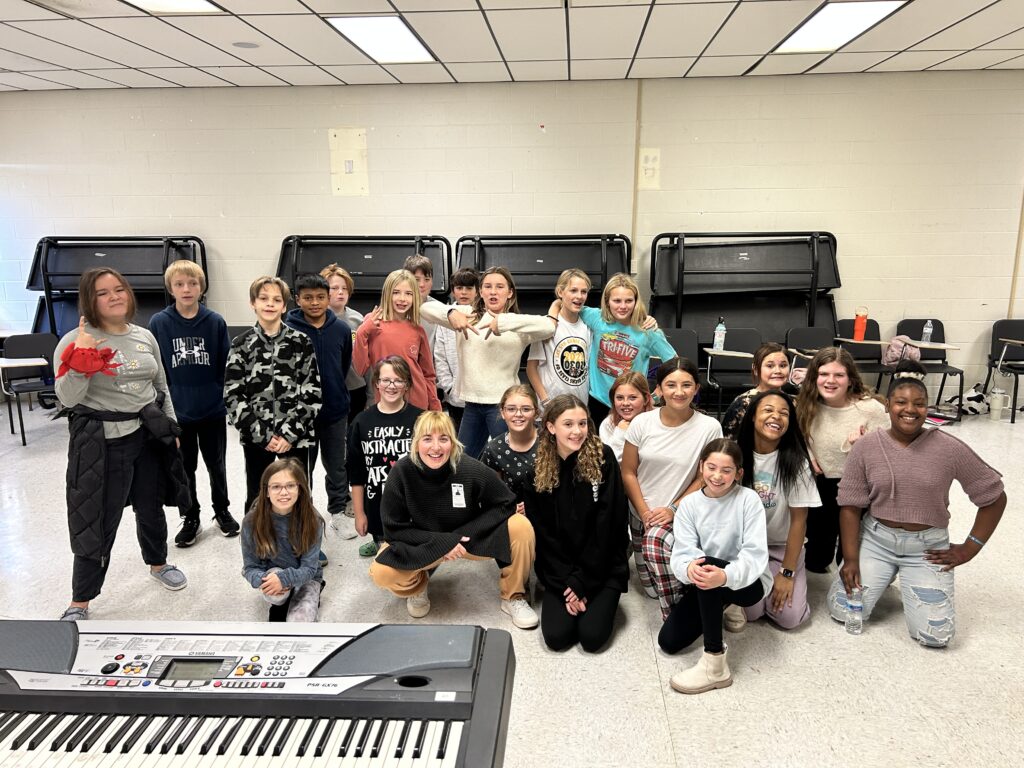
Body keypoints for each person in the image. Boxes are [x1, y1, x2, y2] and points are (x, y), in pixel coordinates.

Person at [827, 361, 1006, 647]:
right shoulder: (866, 447)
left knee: (935, 636)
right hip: (876, 539)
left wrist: (970, 547)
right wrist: (850, 560)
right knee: (841, 611)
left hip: (927, 547)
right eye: (901, 402)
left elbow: (994, 496)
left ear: (927, 407)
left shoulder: (950, 448)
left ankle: (899, 578)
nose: (910, 409)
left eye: (919, 404)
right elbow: (850, 506)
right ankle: (881, 577)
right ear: (887, 406)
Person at [55, 268, 191, 622]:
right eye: (103, 293)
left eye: (119, 289)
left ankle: (158, 563)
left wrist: (170, 427)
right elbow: (68, 398)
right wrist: (81, 362)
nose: (114, 296)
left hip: (148, 434)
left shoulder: (144, 336)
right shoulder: (76, 339)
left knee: (151, 505)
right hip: (104, 442)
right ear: (90, 299)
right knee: (97, 518)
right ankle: (81, 600)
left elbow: (161, 385)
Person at [369, 411, 539, 629]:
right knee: (381, 572)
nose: (436, 447)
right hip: (425, 542)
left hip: (467, 538)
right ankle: (418, 586)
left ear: (453, 442)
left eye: (444, 439)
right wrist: (443, 544)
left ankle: (513, 596)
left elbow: (506, 502)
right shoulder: (401, 472)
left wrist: (462, 536)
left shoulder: (467, 467)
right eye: (427, 439)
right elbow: (394, 530)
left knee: (520, 526)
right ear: (416, 442)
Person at [659, 439, 771, 694]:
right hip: (707, 582)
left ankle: (715, 664)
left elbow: (754, 556)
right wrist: (689, 570)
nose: (717, 476)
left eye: (726, 470)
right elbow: (683, 553)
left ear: (739, 473)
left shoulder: (748, 500)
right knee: (668, 642)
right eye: (711, 467)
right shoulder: (689, 505)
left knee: (708, 566)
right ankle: (724, 602)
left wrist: (725, 576)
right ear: (701, 467)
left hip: (749, 583)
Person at [523, 395, 629, 652]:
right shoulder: (537, 469)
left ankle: (597, 598)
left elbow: (610, 525)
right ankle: (573, 594)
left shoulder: (603, 459)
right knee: (557, 638)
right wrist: (565, 584)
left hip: (602, 568)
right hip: (560, 571)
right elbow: (544, 534)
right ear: (551, 427)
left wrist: (584, 582)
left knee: (591, 638)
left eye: (582, 423)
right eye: (568, 424)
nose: (577, 431)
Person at [419, 266, 557, 460]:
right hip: (472, 404)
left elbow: (548, 327)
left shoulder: (517, 323)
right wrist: (450, 312)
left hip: (502, 406)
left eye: (500, 287)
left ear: (510, 293)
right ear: (480, 291)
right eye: (488, 286)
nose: (493, 291)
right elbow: (424, 308)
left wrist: (503, 322)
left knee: (508, 461)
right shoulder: (466, 313)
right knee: (461, 461)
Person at [621, 357, 722, 619]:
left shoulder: (710, 427)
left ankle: (677, 612)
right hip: (641, 511)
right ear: (659, 390)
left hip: (683, 510)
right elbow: (628, 472)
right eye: (671, 385)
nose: (679, 392)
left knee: (657, 547)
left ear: (697, 389)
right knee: (651, 589)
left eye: (687, 385)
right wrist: (644, 512)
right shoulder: (642, 423)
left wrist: (673, 508)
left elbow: (705, 476)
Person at [149, 259, 237, 547]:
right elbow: (158, 370)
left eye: (193, 283)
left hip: (211, 410)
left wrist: (219, 397)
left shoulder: (214, 322)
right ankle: (191, 515)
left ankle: (221, 510)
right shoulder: (159, 323)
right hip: (179, 413)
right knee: (185, 468)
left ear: (202, 287)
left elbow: (225, 366)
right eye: (179, 284)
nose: (186, 289)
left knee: (217, 465)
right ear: (171, 289)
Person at [224, 276, 322, 513]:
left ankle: (302, 544)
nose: (270, 304)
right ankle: (259, 546)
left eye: (276, 299)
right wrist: (264, 436)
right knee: (258, 495)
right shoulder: (241, 344)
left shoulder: (301, 342)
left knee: (299, 493)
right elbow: (233, 396)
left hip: (296, 436)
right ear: (253, 303)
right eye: (263, 298)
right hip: (257, 438)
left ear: (284, 306)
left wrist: (288, 434)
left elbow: (312, 393)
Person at [796, 347, 889, 573]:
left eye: (839, 375)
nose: (831, 381)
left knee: (850, 558)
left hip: (860, 488)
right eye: (824, 374)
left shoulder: (870, 409)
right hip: (822, 485)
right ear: (814, 378)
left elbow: (893, 453)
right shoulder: (806, 405)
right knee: (816, 561)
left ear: (850, 379)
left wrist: (866, 447)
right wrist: (807, 453)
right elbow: (799, 437)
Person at [735, 390, 820, 630]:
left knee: (789, 618)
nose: (777, 417)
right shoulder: (735, 455)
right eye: (768, 410)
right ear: (753, 416)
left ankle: (781, 578)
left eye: (784, 413)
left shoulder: (797, 462)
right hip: (746, 547)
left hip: (783, 547)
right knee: (751, 612)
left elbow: (798, 522)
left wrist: (787, 573)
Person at [285, 273, 354, 545]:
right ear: (297, 299)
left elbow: (344, 363)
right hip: (299, 416)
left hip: (335, 410)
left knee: (337, 465)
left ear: (328, 298)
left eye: (320, 297)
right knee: (301, 468)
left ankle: (337, 509)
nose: (315, 302)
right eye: (308, 297)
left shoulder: (340, 329)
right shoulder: (288, 329)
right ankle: (304, 515)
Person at [347, 356, 423, 558]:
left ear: (407, 385)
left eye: (399, 380)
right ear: (377, 383)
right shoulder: (361, 422)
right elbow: (357, 474)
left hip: (414, 510)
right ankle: (379, 543)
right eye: (386, 380)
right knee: (390, 561)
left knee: (414, 560)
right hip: (377, 509)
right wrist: (360, 514)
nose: (392, 386)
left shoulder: (420, 419)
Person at [578, 273, 674, 427]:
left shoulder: (648, 331)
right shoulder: (597, 318)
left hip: (632, 404)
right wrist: (553, 313)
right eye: (617, 300)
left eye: (629, 300)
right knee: (599, 449)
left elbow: (674, 364)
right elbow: (564, 303)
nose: (623, 306)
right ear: (607, 301)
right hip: (598, 401)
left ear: (636, 301)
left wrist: (655, 396)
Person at [241, 458, 324, 622]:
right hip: (273, 573)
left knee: (300, 621)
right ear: (266, 491)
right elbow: (250, 567)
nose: (284, 492)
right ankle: (284, 600)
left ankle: (310, 591)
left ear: (300, 489)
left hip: (307, 576)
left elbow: (309, 568)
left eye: (290, 485)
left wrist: (286, 579)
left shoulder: (313, 520)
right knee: (276, 601)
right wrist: (266, 581)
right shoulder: (251, 521)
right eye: (276, 487)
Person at [354, 269, 441, 412]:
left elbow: (428, 375)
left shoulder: (417, 330)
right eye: (396, 292)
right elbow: (360, 368)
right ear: (387, 294)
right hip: (384, 403)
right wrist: (363, 331)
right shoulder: (371, 322)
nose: (402, 299)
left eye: (408, 294)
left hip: (416, 404)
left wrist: (435, 407)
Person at [527, 268, 592, 408]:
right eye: (573, 290)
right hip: (550, 407)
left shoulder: (588, 327)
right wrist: (546, 401)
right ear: (560, 292)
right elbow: (531, 368)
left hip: (579, 407)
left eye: (584, 292)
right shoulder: (546, 325)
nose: (579, 296)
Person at [480, 384, 540, 513]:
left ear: (536, 412)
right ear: (502, 412)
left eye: (526, 409)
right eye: (511, 409)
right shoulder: (495, 449)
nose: (518, 414)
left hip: (550, 512)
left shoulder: (550, 440)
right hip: (513, 517)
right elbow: (490, 493)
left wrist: (535, 505)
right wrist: (509, 508)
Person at [434, 267, 479, 431]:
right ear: (453, 291)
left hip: (480, 397)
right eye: (459, 288)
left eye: (469, 288)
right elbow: (440, 357)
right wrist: (449, 387)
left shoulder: (483, 316)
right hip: (455, 398)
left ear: (477, 291)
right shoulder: (444, 318)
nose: (464, 292)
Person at [720, 342, 793, 439]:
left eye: (783, 366)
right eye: (770, 366)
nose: (778, 371)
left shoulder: (793, 402)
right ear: (755, 369)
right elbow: (728, 442)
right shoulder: (743, 402)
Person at [322, 263, 367, 416]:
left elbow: (367, 359)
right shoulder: (316, 320)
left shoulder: (357, 319)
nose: (340, 292)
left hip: (355, 389)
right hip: (327, 390)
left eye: (345, 288)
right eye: (334, 288)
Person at [598, 370, 654, 462]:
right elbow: (608, 463)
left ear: (646, 399)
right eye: (619, 398)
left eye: (632, 397)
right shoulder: (608, 423)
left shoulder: (657, 420)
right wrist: (620, 433)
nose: (625, 403)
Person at [404, 253, 442, 350]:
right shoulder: (396, 308)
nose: (422, 284)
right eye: (417, 279)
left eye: (427, 279)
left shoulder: (439, 309)